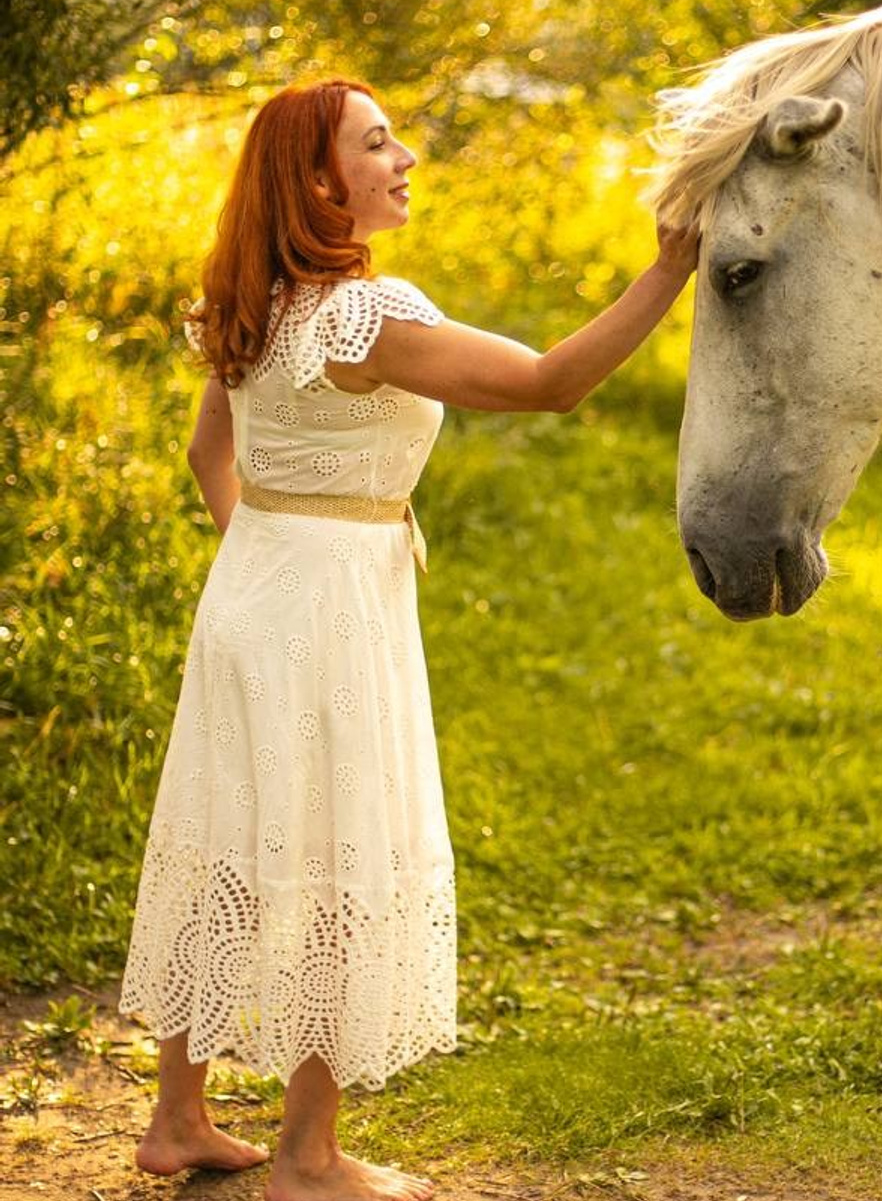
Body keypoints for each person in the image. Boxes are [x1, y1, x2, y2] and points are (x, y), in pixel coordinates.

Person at [118, 76, 698, 1201]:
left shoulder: (252, 302)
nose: (406, 159)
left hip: (249, 595)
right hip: (331, 612)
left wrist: (271, 567)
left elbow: (209, 461)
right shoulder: (361, 318)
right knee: (343, 856)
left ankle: (178, 1117)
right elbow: (549, 383)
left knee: (227, 838)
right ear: (319, 180)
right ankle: (307, 1156)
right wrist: (668, 268)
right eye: (377, 144)